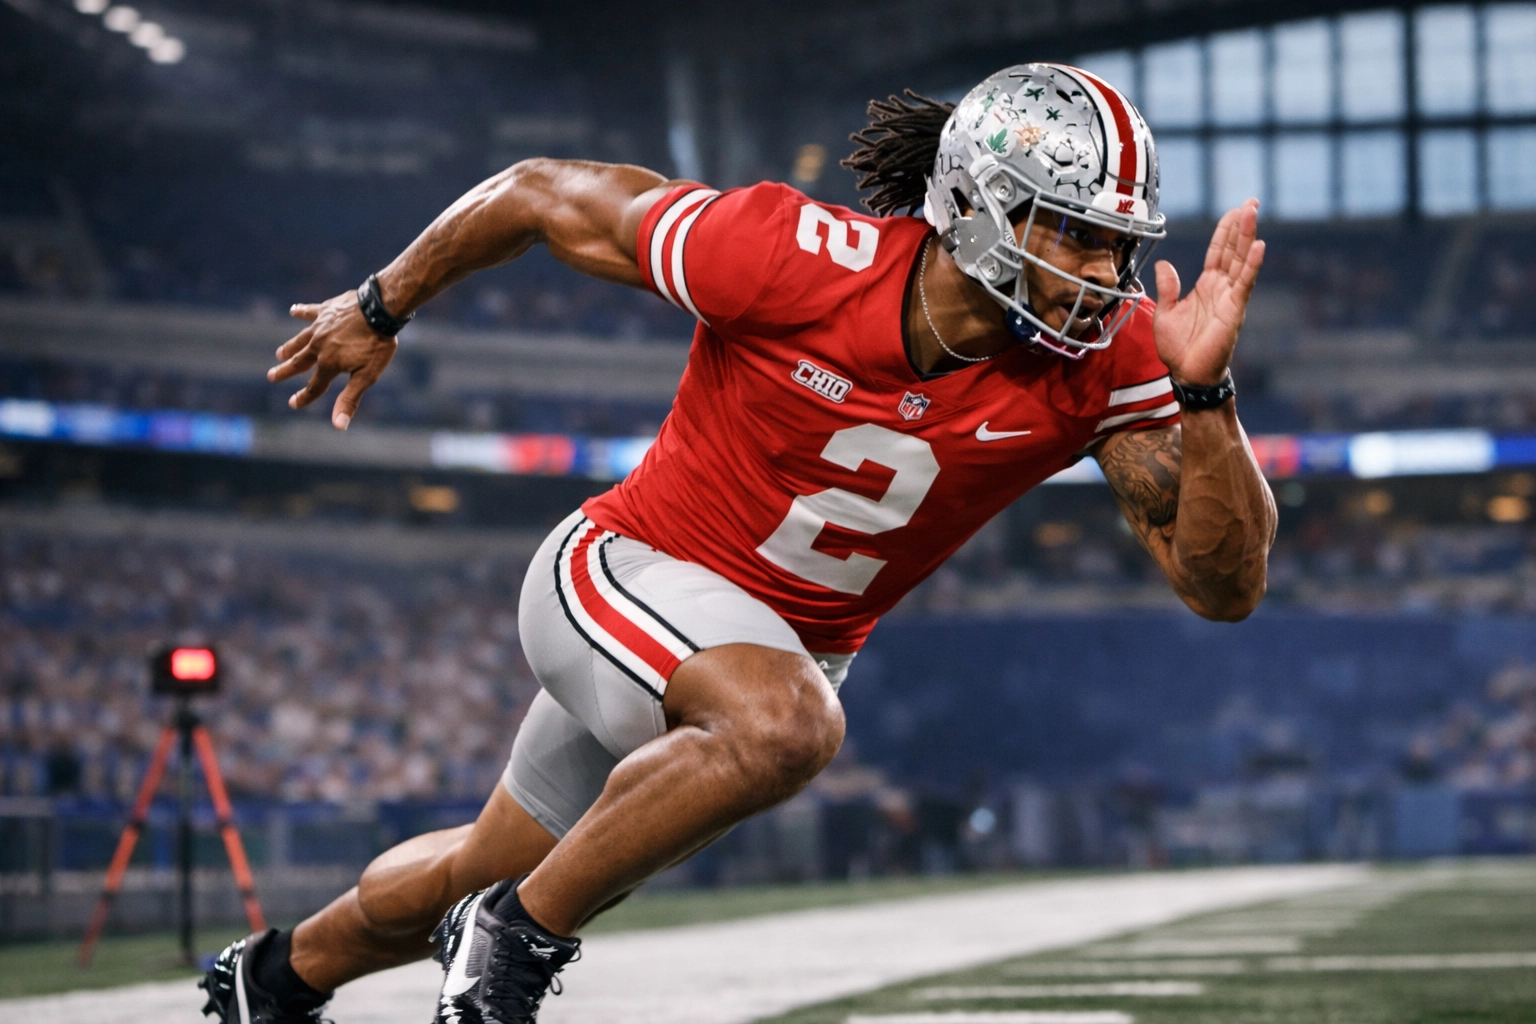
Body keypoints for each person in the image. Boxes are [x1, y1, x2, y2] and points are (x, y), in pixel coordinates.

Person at [199, 63, 1274, 1024]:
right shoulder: (796, 259)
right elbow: (538, 191)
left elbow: (1220, 585)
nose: (1108, 271)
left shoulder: (1114, 356)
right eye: (1077, 233)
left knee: (488, 863)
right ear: (985, 209)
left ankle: (275, 980)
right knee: (788, 725)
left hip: (757, 655)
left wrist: (1207, 393)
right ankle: (509, 950)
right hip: (629, 574)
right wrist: (380, 304)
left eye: (1122, 242)